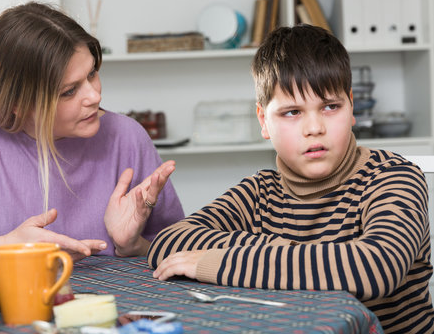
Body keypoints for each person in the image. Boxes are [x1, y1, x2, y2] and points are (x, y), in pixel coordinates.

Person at [147, 24, 433, 333]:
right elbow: (170, 242)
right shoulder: (259, 191)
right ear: (263, 121)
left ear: (352, 107)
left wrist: (219, 261)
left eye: (330, 107)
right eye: (292, 112)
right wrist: (289, 252)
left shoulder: (393, 177)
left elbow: (375, 267)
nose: (314, 128)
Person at [0, 1, 184, 261]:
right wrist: (6, 246)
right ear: (17, 104)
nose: (94, 96)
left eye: (92, 73)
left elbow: (181, 252)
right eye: (69, 91)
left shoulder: (127, 138)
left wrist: (133, 245)